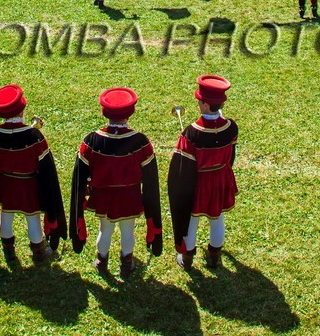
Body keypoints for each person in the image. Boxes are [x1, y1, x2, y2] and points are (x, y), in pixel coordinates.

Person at [70, 87, 163, 278]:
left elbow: (80, 174)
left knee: (105, 229)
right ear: (130, 113)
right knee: (128, 230)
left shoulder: (91, 141)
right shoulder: (141, 142)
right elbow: (150, 178)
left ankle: (101, 261)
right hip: (130, 196)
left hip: (103, 196)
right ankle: (126, 265)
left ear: (105, 112)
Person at [0, 84, 67, 267]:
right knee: (32, 217)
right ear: (22, 110)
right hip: (28, 186)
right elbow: (47, 170)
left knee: (6, 214)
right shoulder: (35, 137)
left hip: (4, 184)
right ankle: (39, 251)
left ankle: (8, 251)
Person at [168, 75, 238, 271]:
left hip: (198, 183)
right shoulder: (231, 127)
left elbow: (181, 167)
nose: (198, 104)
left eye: (200, 101)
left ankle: (187, 258)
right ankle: (214, 257)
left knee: (191, 220)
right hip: (220, 179)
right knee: (217, 217)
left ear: (206, 105)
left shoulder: (191, 133)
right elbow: (231, 154)